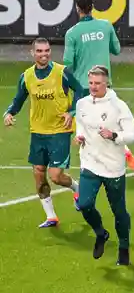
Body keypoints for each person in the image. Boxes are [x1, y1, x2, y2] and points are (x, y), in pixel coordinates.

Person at [4, 38, 86, 227]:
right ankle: (51, 216)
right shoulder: (27, 76)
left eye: (47, 51)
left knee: (56, 176)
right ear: (32, 53)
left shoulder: (61, 72)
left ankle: (77, 188)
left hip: (59, 132)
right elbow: (18, 99)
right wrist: (9, 112)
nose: (44, 54)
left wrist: (71, 111)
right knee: (39, 175)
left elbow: (80, 91)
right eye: (39, 51)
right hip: (38, 133)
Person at [62, 0, 134, 171]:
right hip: (104, 84)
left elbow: (67, 64)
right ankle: (122, 151)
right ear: (93, 7)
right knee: (108, 123)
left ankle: (89, 168)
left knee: (85, 129)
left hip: (84, 86)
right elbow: (117, 50)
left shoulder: (72, 33)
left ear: (77, 9)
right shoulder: (105, 26)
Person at [74, 65, 134, 266]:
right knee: (84, 204)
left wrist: (114, 136)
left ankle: (124, 247)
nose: (93, 87)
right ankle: (101, 233)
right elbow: (80, 123)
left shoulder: (118, 106)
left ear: (107, 83)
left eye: (98, 83)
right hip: (90, 162)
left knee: (119, 211)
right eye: (91, 83)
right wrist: (80, 136)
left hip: (113, 167)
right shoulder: (82, 104)